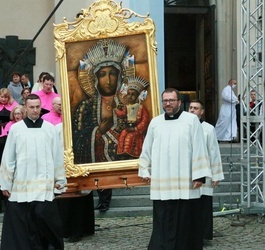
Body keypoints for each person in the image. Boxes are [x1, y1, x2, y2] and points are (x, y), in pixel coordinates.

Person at [138, 88, 211, 250]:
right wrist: (144, 169)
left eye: (171, 100)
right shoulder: (155, 122)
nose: (168, 103)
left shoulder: (191, 120)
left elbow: (199, 148)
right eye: (165, 101)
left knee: (184, 219)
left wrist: (199, 175)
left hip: (184, 181)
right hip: (162, 181)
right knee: (162, 218)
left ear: (179, 102)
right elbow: (147, 148)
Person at [0, 94, 66, 250]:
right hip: (22, 183)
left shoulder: (50, 129)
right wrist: (5, 183)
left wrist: (60, 179)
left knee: (44, 218)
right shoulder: (16, 129)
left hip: (44, 183)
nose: (35, 110)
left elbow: (57, 155)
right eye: (31, 107)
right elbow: (9, 157)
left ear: (41, 107)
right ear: (25, 108)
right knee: (21, 221)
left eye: (37, 107)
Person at [73, 39, 135, 213]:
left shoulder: (127, 104)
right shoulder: (85, 106)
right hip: (96, 157)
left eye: (112, 73)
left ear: (120, 76)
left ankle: (106, 199)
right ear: (94, 78)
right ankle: (102, 200)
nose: (108, 80)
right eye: (102, 74)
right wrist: (97, 132)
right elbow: (78, 136)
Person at [188, 99, 224, 240]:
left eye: (195, 108)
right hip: (188, 172)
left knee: (203, 205)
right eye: (190, 107)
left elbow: (213, 151)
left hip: (205, 171)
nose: (192, 110)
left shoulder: (208, 128)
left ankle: (202, 234)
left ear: (201, 112)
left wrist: (216, 174)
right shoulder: (183, 126)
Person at [115, 76, 150, 159]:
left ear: (138, 96)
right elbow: (122, 114)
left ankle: (128, 154)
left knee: (130, 137)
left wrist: (135, 129)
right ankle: (122, 153)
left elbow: (144, 122)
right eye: (129, 94)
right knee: (122, 134)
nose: (130, 96)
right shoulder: (127, 106)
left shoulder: (141, 108)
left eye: (133, 95)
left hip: (136, 130)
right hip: (128, 127)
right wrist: (115, 109)